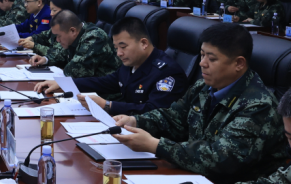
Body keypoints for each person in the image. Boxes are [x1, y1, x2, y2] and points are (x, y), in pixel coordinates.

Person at [111, 22, 289, 184]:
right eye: (202, 55)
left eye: (211, 59)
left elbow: (223, 159)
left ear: (238, 63)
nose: (202, 63)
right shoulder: (203, 87)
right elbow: (173, 118)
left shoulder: (259, 105)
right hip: (196, 179)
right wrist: (136, 121)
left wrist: (155, 146)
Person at [35, 17, 189, 115]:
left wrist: (109, 105)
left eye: (123, 47)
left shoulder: (167, 73)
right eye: (116, 48)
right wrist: (64, 84)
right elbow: (107, 82)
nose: (119, 53)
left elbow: (154, 112)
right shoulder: (132, 62)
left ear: (143, 43)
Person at [28, 10, 120, 80]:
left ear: (73, 31)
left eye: (59, 36)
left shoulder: (94, 37)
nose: (57, 40)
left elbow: (74, 71)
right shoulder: (76, 35)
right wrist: (45, 59)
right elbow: (62, 54)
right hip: (86, 89)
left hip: (104, 95)